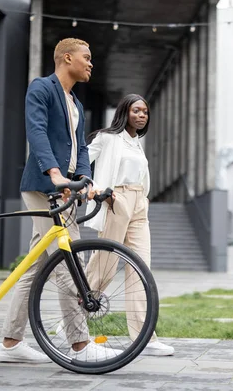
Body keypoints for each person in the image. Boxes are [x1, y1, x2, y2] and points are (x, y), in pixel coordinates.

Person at [0, 38, 116, 362]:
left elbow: (80, 150)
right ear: (67, 58)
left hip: (62, 189)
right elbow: (35, 131)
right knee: (69, 257)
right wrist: (53, 173)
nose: (91, 63)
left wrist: (85, 182)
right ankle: (79, 344)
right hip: (41, 187)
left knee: (35, 268)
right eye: (86, 57)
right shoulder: (42, 89)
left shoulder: (75, 104)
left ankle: (10, 342)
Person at [83, 94, 174, 356]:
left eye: (145, 111)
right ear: (125, 111)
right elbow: (81, 161)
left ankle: (144, 337)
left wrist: (142, 200)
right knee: (105, 266)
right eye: (136, 110)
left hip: (138, 204)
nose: (142, 115)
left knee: (141, 268)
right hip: (117, 199)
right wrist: (96, 188)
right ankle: (74, 321)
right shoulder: (108, 138)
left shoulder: (136, 143)